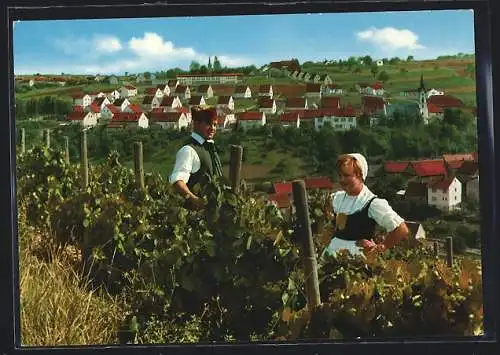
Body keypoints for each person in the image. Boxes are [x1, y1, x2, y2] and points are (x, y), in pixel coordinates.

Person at [322, 153, 409, 258]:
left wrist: (381, 247)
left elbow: (401, 229)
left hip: (356, 258)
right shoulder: (338, 198)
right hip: (332, 253)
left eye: (346, 176)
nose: (342, 180)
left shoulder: (371, 203)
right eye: (340, 175)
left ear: (360, 175)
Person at [169, 106, 223, 209]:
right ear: (197, 124)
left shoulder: (209, 148)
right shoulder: (189, 150)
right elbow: (177, 181)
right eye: (208, 124)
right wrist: (195, 200)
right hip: (195, 215)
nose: (213, 128)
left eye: (215, 125)